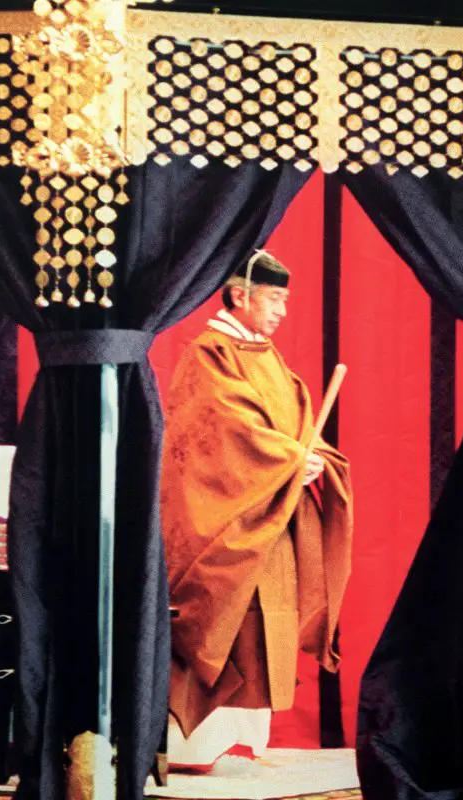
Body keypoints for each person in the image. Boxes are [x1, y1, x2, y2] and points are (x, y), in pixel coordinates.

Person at [161, 251, 353, 771]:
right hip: (225, 517)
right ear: (240, 295)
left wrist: (312, 460)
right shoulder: (210, 354)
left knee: (264, 623)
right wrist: (292, 457)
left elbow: (291, 423)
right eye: (273, 299)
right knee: (220, 618)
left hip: (273, 509)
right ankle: (189, 746)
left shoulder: (267, 355)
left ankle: (238, 741)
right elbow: (225, 430)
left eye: (285, 301)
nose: (281, 312)